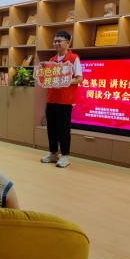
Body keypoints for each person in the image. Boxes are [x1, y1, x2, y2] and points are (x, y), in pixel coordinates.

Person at [40, 31, 83, 168]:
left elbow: (79, 78)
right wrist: (43, 69)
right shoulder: (52, 60)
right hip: (51, 98)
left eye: (59, 41)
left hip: (65, 100)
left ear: (67, 43)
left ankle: (65, 156)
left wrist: (64, 82)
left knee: (63, 129)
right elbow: (48, 79)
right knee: (51, 128)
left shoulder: (74, 58)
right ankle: (53, 153)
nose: (56, 43)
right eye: (55, 41)